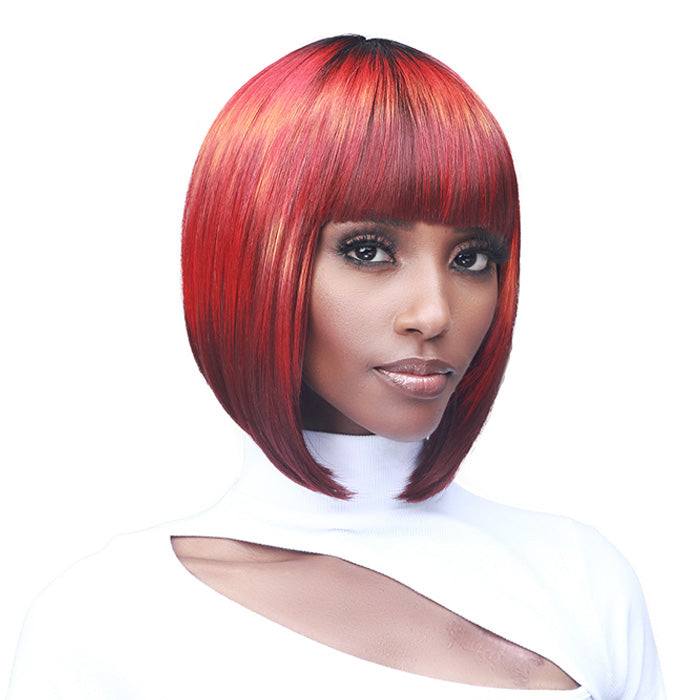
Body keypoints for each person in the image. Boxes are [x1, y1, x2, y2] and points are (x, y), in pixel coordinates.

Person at [7, 35, 665, 699]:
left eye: (470, 259)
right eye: (369, 250)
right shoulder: (106, 617)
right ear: (251, 259)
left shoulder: (581, 576)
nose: (434, 313)